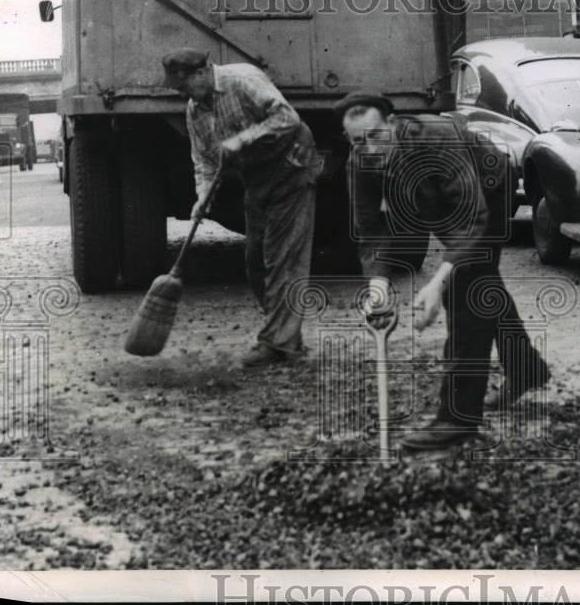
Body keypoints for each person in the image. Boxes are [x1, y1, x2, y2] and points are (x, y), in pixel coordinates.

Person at [334, 91, 551, 451]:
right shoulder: (360, 159)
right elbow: (370, 229)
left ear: (392, 123)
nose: (369, 148)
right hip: (440, 204)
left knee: (465, 289)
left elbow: (472, 219)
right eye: (358, 141)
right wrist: (377, 283)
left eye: (375, 136)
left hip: (486, 189)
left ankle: (457, 418)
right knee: (482, 284)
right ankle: (525, 367)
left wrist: (437, 283)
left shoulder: (435, 138)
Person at [162, 48, 320, 368]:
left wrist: (244, 138)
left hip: (291, 163)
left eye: (184, 86)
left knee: (282, 256)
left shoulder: (243, 80)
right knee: (255, 260)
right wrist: (203, 197)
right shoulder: (195, 111)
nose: (182, 94)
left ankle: (279, 342)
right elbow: (204, 162)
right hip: (257, 176)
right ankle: (286, 335)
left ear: (203, 72)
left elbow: (288, 118)